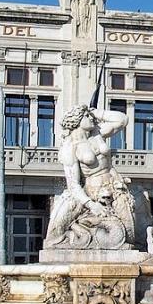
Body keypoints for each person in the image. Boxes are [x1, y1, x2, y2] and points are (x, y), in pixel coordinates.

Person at [44, 104, 131, 248]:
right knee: (57, 230)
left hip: (115, 185)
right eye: (86, 116)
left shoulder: (97, 133)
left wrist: (96, 112)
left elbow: (123, 120)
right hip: (92, 191)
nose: (90, 118)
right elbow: (73, 185)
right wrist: (91, 204)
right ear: (77, 121)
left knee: (131, 230)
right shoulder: (70, 147)